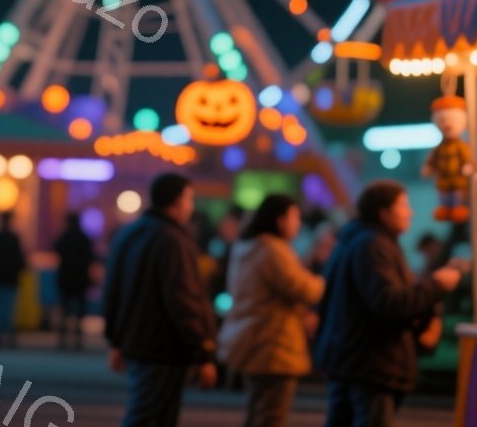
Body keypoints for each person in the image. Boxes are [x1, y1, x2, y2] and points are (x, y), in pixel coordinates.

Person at [314, 181, 462, 427]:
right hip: (371, 362)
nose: (410, 212)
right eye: (403, 206)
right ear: (384, 213)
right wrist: (437, 285)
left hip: (350, 358)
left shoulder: (355, 240)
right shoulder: (374, 245)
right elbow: (388, 302)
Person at [104, 173, 218, 427]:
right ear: (177, 201)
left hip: (137, 343)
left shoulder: (128, 233)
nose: (190, 207)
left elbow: (112, 291)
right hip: (164, 346)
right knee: (151, 416)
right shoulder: (173, 240)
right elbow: (183, 299)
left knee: (146, 412)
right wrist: (203, 349)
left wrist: (115, 339)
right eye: (189, 199)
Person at [219, 194, 325, 427]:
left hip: (251, 337)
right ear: (280, 220)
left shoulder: (247, 246)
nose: (298, 224)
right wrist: (322, 281)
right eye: (294, 217)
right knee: (272, 415)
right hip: (274, 343)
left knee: (257, 409)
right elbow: (304, 289)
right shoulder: (273, 250)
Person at [53, 213, 95, 351]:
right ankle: (77, 339)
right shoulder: (84, 238)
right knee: (79, 312)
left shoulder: (64, 237)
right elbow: (91, 257)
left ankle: (63, 339)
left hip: (65, 278)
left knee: (64, 309)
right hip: (80, 278)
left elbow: (55, 249)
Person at [0, 211, 27, 348]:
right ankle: (9, 337)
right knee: (9, 309)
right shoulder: (13, 239)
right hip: (11, 279)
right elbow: (20, 260)